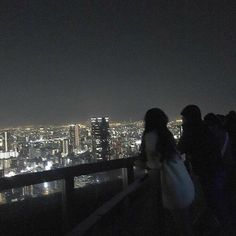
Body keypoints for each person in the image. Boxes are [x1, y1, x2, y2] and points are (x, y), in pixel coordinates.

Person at [178, 105, 233, 234]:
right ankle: (223, 225)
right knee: (216, 199)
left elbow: (179, 149)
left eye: (183, 118)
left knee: (212, 200)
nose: (182, 121)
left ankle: (224, 227)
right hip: (216, 169)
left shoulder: (191, 131)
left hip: (205, 171)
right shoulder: (205, 129)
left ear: (188, 118)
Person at [139, 108, 194, 236]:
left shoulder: (150, 136)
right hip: (182, 181)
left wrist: (143, 164)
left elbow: (154, 163)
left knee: (177, 225)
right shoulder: (167, 134)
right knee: (185, 224)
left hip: (169, 185)